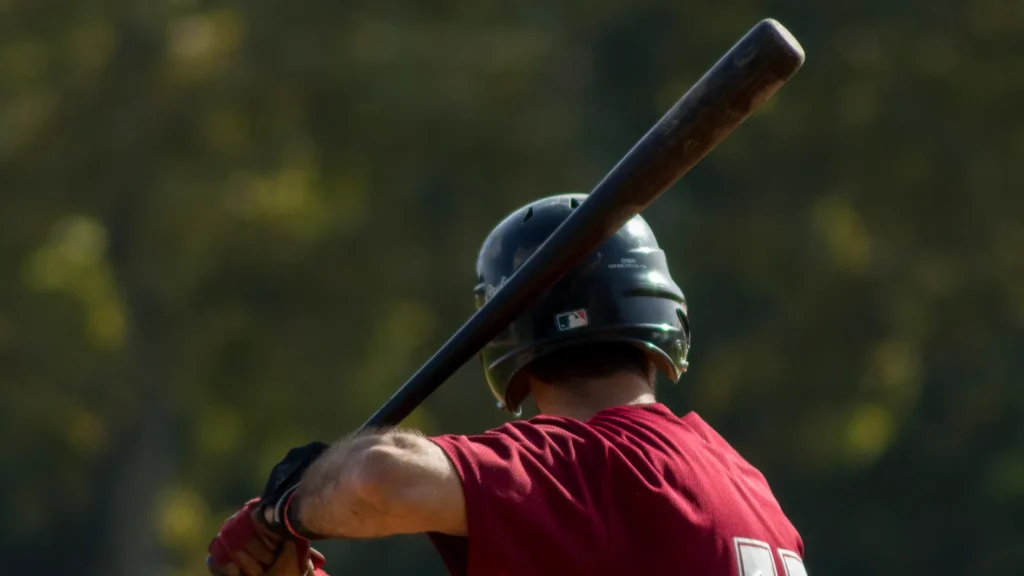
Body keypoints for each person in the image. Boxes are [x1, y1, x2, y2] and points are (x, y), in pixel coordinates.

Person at [206, 194, 807, 576]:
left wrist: (287, 508)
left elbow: (376, 478)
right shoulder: (747, 487)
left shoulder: (594, 470)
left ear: (501, 335)